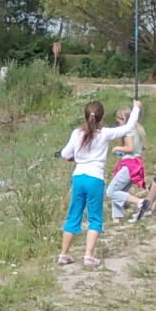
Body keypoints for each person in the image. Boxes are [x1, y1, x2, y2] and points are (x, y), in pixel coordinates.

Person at [57, 99, 142, 267]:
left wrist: (75, 157)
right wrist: (136, 108)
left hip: (78, 177)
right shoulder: (104, 134)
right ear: (102, 118)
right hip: (95, 178)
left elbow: (65, 154)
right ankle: (88, 255)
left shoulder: (77, 133)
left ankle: (64, 254)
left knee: (73, 215)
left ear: (85, 116)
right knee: (95, 218)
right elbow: (128, 128)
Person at [106, 107, 148, 223]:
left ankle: (140, 202)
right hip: (137, 164)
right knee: (120, 190)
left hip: (129, 165)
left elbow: (130, 148)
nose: (118, 123)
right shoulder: (138, 129)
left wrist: (118, 148)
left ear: (124, 119)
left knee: (111, 191)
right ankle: (116, 218)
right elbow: (141, 147)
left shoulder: (129, 131)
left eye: (119, 120)